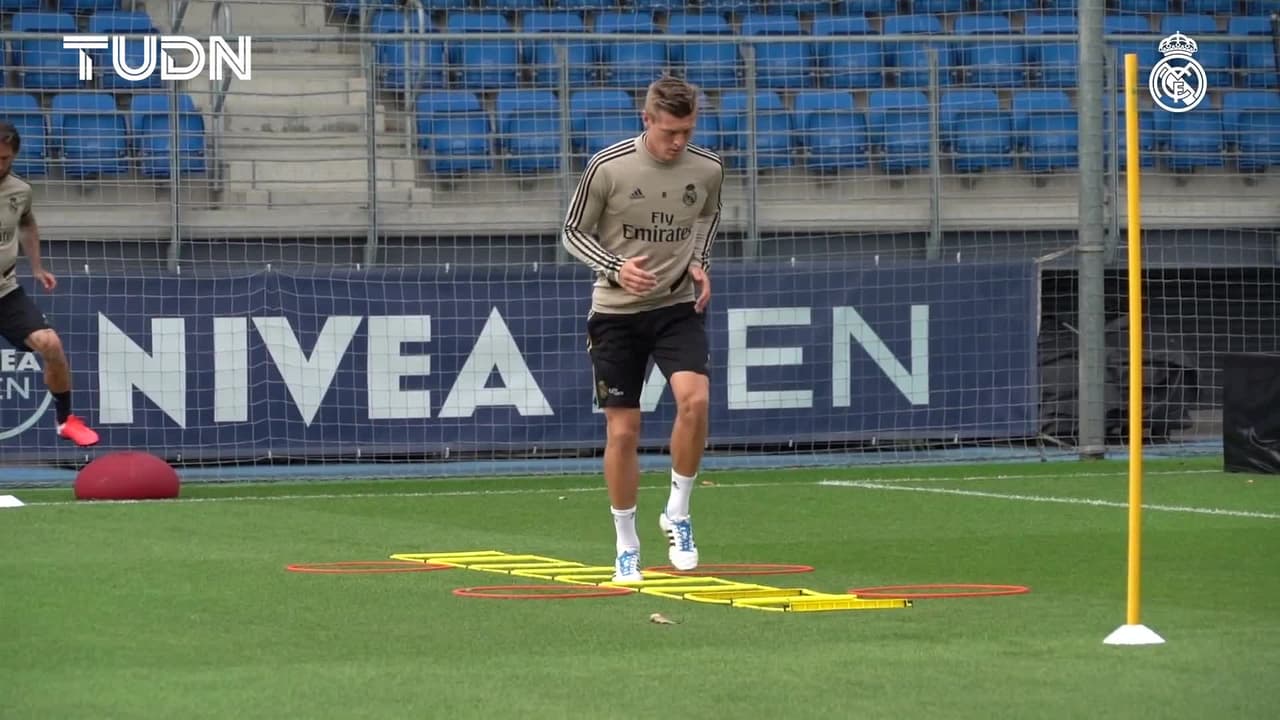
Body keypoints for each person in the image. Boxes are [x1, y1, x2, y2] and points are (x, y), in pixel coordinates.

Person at [561, 76, 724, 583]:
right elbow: (571, 231)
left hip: (676, 305)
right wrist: (615, 267)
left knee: (695, 401)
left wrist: (698, 261)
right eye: (670, 131)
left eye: (687, 130)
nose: (679, 141)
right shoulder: (608, 167)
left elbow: (708, 216)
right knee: (624, 430)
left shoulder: (709, 168)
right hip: (616, 313)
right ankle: (626, 543)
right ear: (647, 119)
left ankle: (678, 512)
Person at [0, 121, 99, 447]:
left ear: (13, 156)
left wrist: (37, 267)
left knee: (51, 344)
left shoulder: (20, 191)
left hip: (4, 291)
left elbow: (27, 224)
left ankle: (66, 420)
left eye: (4, 158)